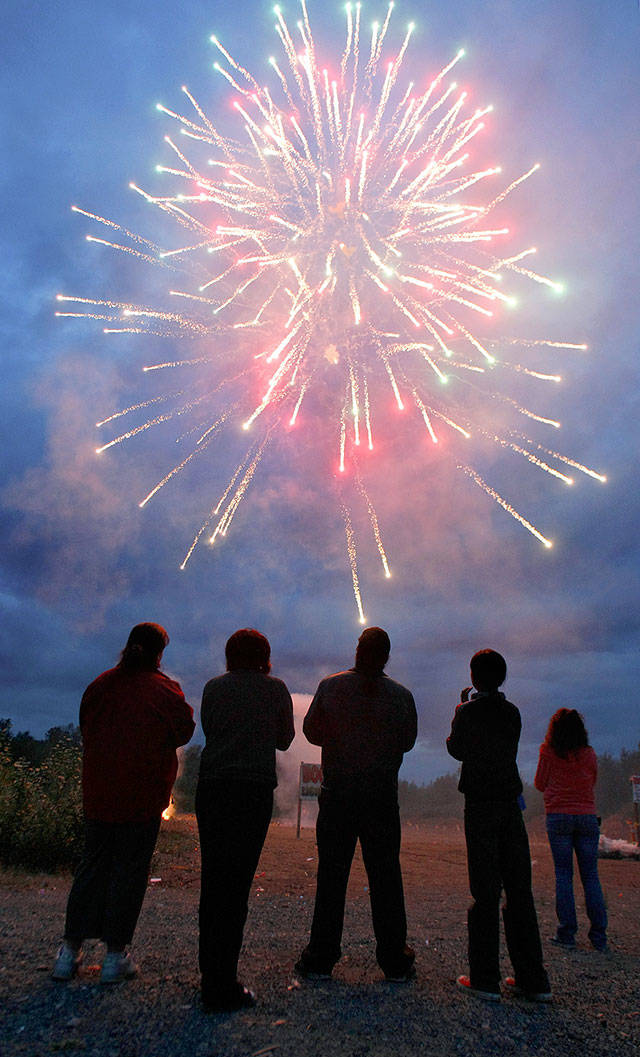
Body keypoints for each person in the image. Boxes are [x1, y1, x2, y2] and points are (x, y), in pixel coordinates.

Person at [52, 622, 195, 984]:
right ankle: (115, 956)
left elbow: (87, 727)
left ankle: (68, 953)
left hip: (100, 794)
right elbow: (184, 730)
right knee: (130, 873)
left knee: (92, 868)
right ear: (160, 654)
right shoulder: (166, 691)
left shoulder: (100, 685)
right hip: (143, 798)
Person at [295, 627, 418, 982]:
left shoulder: (331, 687)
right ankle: (395, 959)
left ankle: (320, 956)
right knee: (386, 879)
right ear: (386, 656)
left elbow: (312, 731)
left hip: (338, 797)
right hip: (381, 800)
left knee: (332, 877)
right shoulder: (401, 696)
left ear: (357, 650)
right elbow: (408, 741)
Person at [196, 628, 294, 1012]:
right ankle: (223, 985)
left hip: (213, 787)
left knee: (213, 880)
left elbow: (209, 730)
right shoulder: (275, 689)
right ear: (265, 656)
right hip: (252, 790)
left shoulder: (213, 688)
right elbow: (285, 739)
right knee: (237, 885)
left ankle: (210, 974)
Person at [446, 649, 551, 1003]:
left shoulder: (467, 712)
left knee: (485, 889)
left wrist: (458, 712)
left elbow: (457, 750)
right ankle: (533, 979)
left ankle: (485, 978)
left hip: (480, 805)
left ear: (474, 677)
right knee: (519, 889)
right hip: (510, 804)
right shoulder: (513, 713)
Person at [534, 708, 607, 951]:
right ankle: (599, 937)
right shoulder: (589, 754)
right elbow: (592, 780)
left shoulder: (548, 752)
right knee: (591, 876)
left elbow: (539, 783)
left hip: (559, 817)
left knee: (564, 875)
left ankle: (567, 933)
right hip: (587, 817)